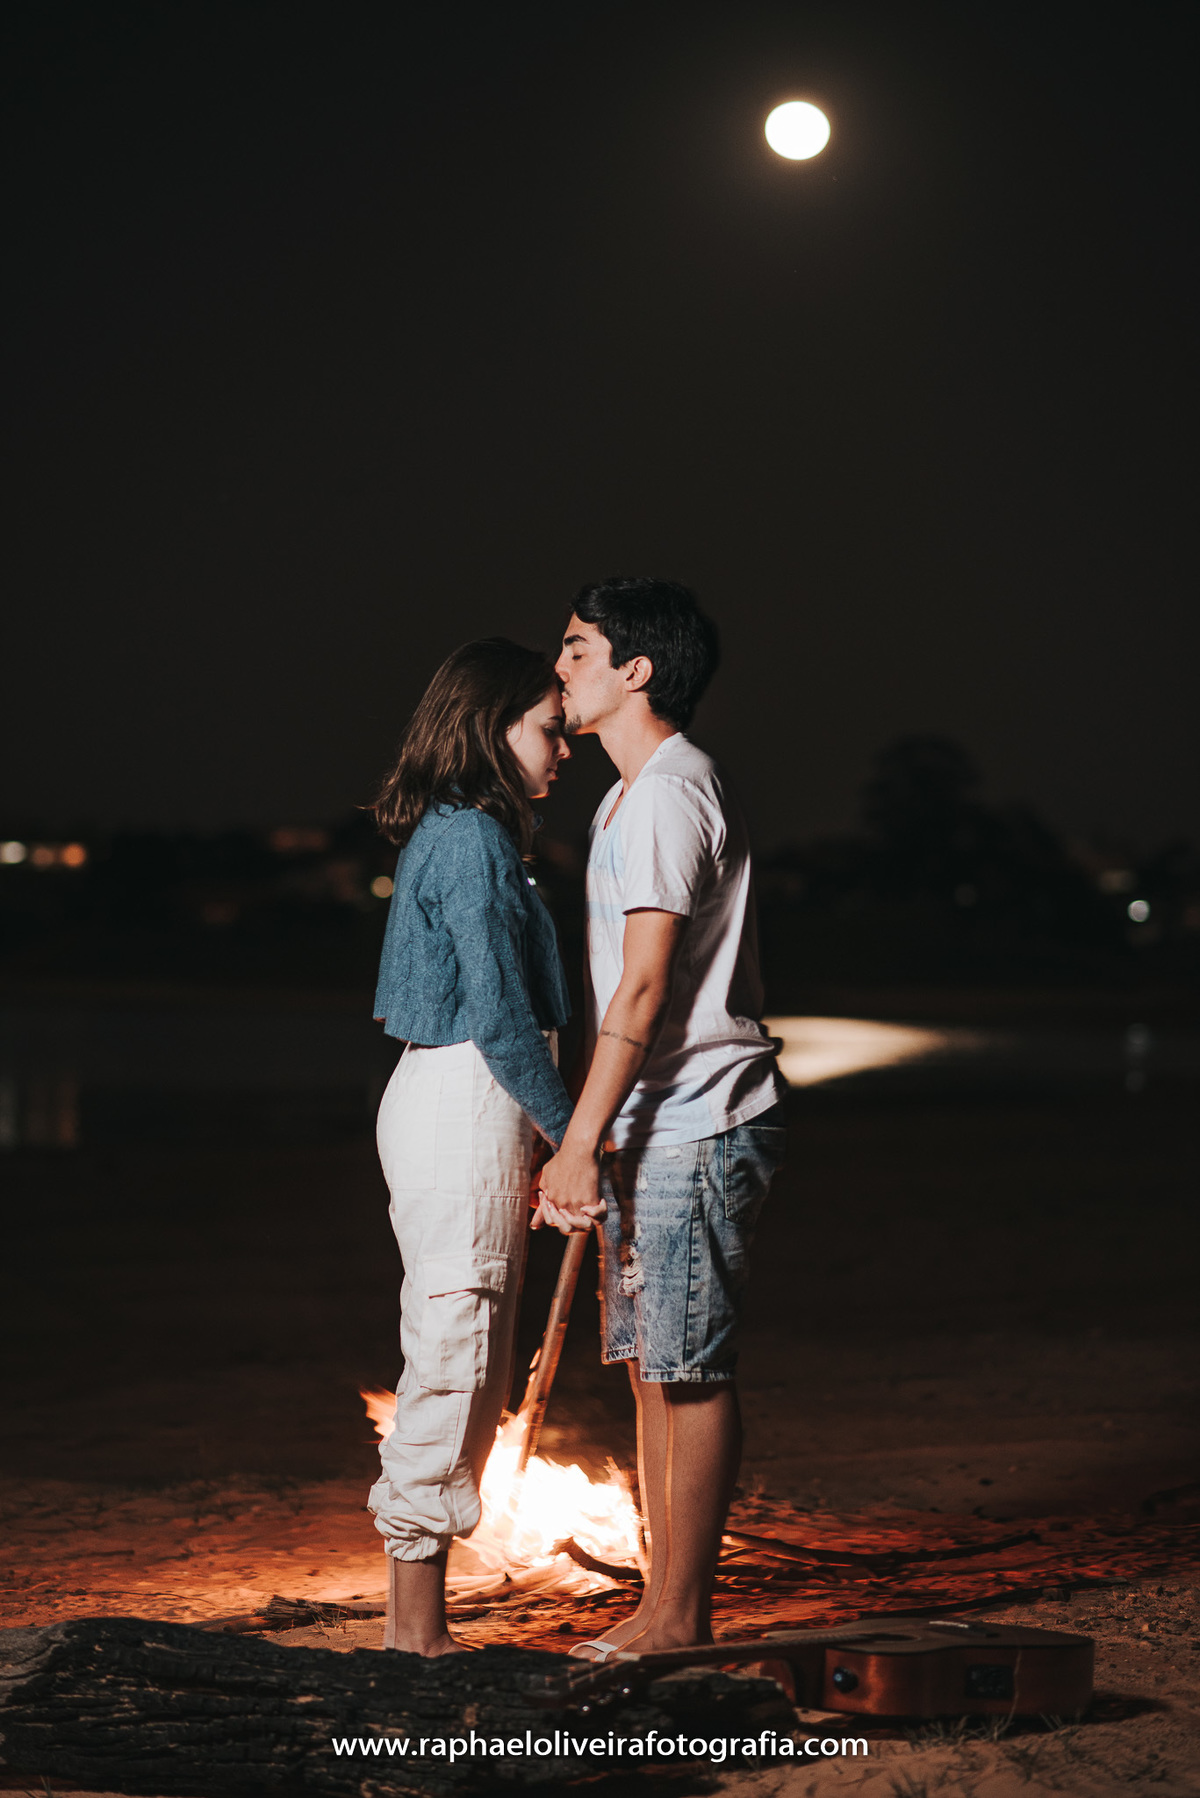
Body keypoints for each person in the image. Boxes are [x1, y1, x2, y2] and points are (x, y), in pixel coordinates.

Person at [534, 577, 786, 1660]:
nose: (561, 668)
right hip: (658, 1121)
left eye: (578, 648)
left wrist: (577, 1139)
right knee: (653, 1364)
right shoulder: (624, 796)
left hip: (696, 1115)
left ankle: (679, 1618)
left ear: (637, 669)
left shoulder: (673, 789)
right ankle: (660, 1600)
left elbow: (641, 989)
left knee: (689, 1367)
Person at [367, 637, 574, 1656]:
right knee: (455, 1352)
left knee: (468, 1350)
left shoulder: (469, 834)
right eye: (548, 727)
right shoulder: (472, 841)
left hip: (462, 1098)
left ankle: (422, 1622)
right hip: (464, 1096)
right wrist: (575, 1136)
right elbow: (498, 1016)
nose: (563, 749)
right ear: (491, 727)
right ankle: (416, 1636)